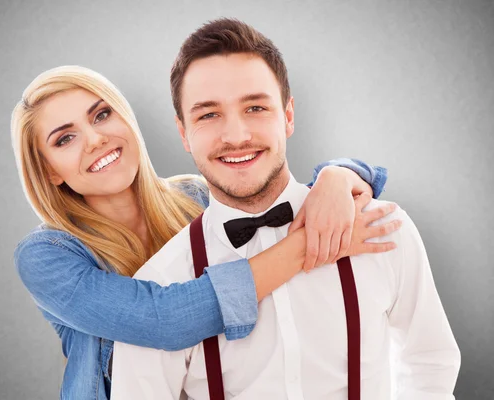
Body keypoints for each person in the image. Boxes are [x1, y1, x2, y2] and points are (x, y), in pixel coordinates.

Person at [110, 18, 461, 400]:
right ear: (183, 133)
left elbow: (430, 361)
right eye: (208, 114)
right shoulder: (161, 283)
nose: (236, 136)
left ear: (288, 116)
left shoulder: (381, 226)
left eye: (255, 107)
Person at [11, 63, 397, 400]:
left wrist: (338, 174)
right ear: (49, 171)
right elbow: (163, 319)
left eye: (101, 115)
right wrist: (305, 245)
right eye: (65, 138)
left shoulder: (196, 196)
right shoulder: (47, 255)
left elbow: (269, 192)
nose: (96, 139)